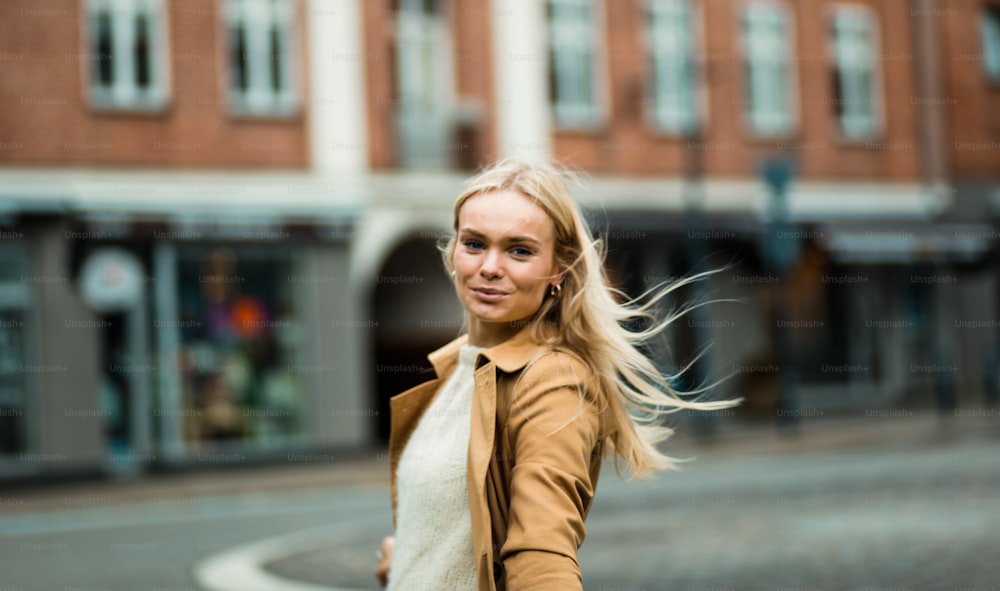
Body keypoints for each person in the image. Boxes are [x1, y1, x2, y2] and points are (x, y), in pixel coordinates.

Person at [374, 159, 739, 590]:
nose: (490, 266)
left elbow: (541, 555)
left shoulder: (553, 383)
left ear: (558, 272)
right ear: (453, 251)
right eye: (474, 244)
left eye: (520, 250)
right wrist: (412, 564)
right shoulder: (457, 367)